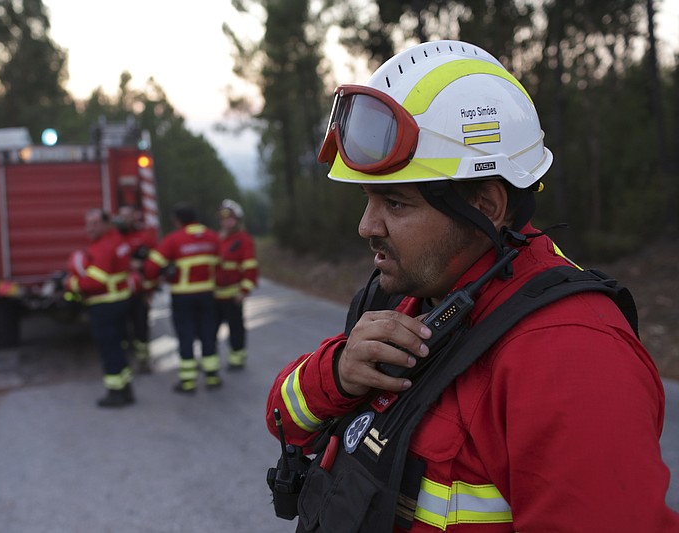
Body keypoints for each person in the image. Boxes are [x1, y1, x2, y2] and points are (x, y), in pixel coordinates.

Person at [265, 40, 679, 532]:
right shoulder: (408, 293)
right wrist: (337, 372)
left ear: (485, 205)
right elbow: (283, 420)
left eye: (395, 204)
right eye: (368, 200)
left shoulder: (571, 356)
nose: (366, 226)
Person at [143, 203, 221, 393]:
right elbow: (221, 263)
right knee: (208, 334)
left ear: (178, 221)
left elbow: (152, 266)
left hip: (183, 296)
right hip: (208, 295)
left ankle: (188, 382)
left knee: (186, 336)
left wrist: (153, 282)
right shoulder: (212, 237)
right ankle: (212, 377)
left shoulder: (174, 240)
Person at [65, 208, 135, 408]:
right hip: (119, 302)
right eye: (87, 223)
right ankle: (126, 389)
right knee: (119, 349)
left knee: (109, 350)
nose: (90, 228)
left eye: (95, 223)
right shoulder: (118, 240)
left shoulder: (104, 247)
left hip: (105, 306)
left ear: (107, 224)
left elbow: (94, 282)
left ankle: (115, 393)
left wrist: (70, 284)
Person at [214, 199, 259, 370]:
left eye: (230, 218)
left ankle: (237, 359)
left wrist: (244, 290)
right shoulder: (217, 238)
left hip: (233, 295)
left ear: (237, 219)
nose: (226, 221)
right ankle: (211, 359)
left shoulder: (243, 240)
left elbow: (250, 267)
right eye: (223, 218)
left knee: (236, 329)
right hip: (214, 295)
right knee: (210, 330)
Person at [116, 205, 160, 373]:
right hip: (118, 294)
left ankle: (143, 360)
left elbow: (157, 261)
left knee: (141, 326)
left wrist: (150, 289)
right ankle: (125, 360)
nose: (126, 219)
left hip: (140, 292)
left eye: (129, 216)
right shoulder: (113, 237)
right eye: (122, 215)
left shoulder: (144, 237)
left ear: (135, 217)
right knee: (120, 328)